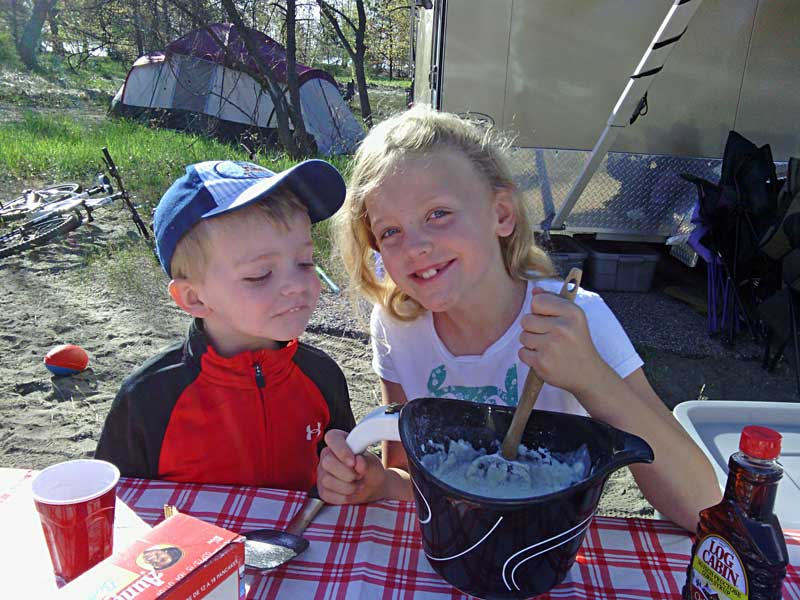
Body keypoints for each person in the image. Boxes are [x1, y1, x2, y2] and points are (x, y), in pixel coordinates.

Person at [316, 105, 722, 531]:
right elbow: (410, 475)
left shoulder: (574, 319)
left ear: (502, 214)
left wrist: (591, 377)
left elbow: (704, 507)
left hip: (545, 550)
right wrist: (378, 483)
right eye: (390, 232)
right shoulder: (396, 326)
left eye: (438, 214)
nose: (415, 245)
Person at [95, 159, 355, 490]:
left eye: (305, 262)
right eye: (260, 274)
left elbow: (342, 481)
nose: (296, 284)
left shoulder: (322, 377)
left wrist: (348, 479)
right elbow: (115, 508)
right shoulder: (148, 400)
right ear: (194, 299)